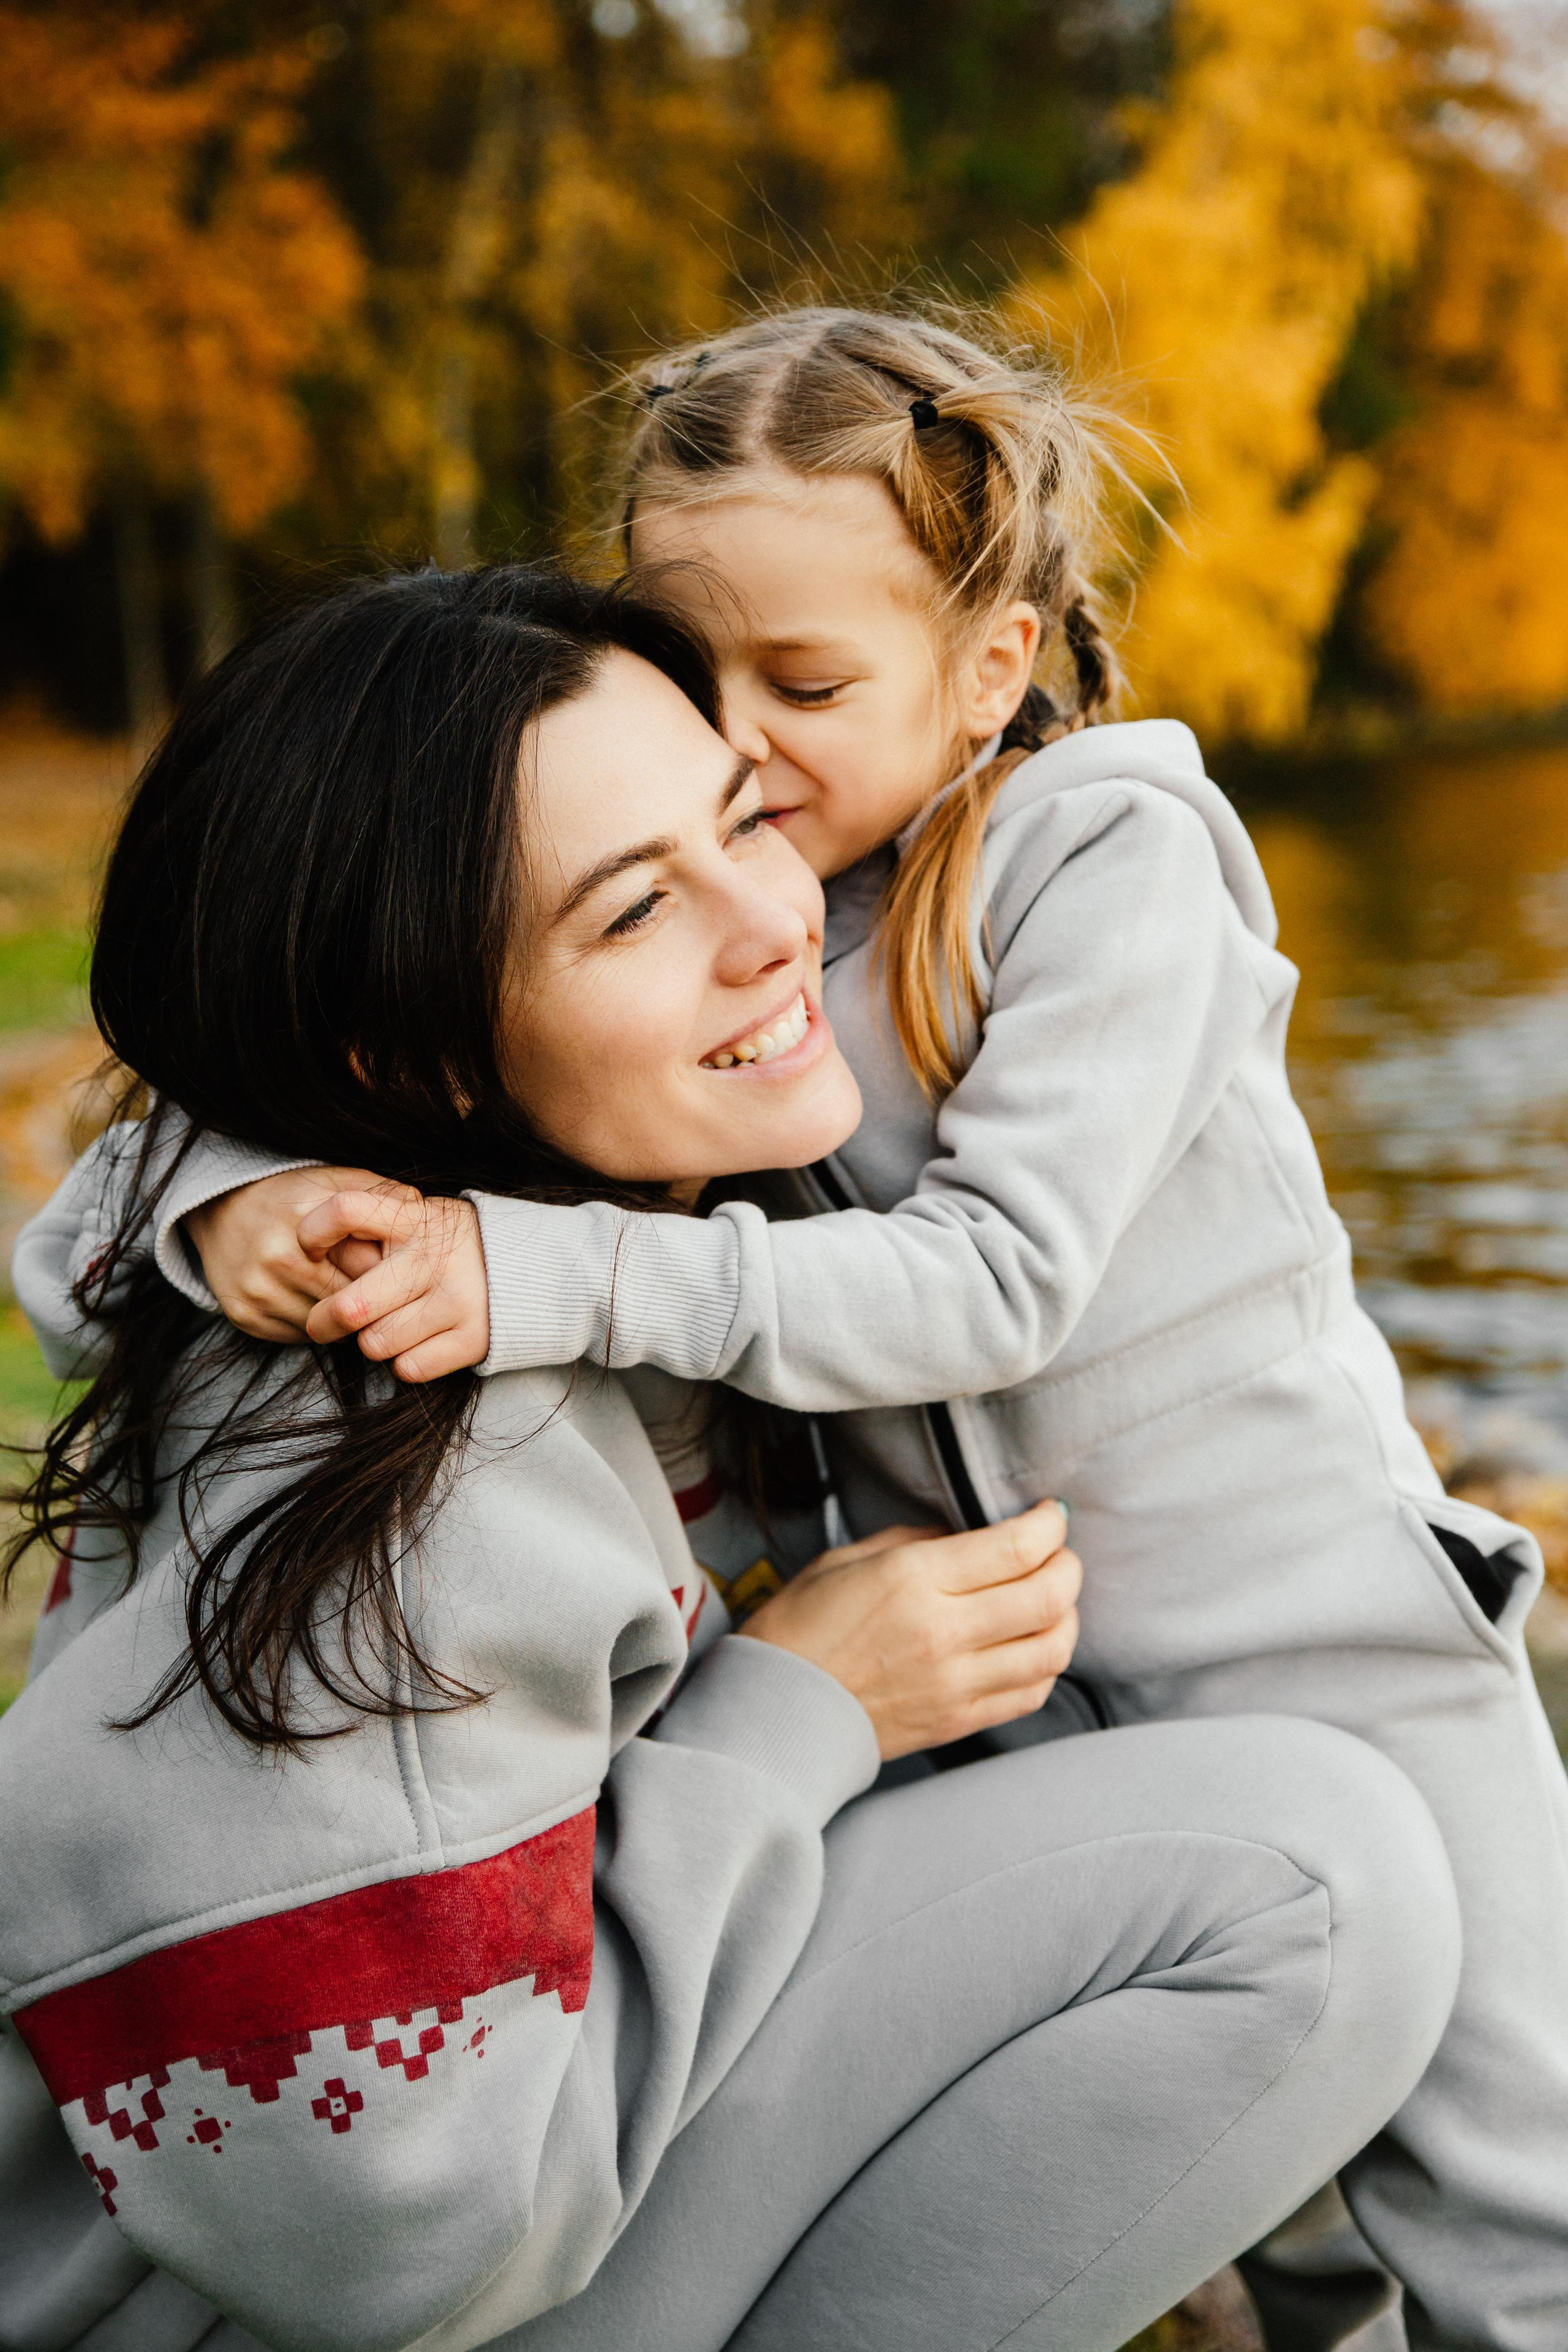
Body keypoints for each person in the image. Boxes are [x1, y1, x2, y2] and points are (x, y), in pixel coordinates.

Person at [179, 311, 1568, 2352]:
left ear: (989, 667)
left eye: (806, 683)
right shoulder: (747, 906)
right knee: (1275, 2200)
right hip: (1007, 1705)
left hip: (1323, 1645)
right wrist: (237, 1188)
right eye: (687, 673)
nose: (734, 744)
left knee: (1513, 2211)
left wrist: (543, 1269)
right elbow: (358, 1011)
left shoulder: (1111, 863)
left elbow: (999, 1278)